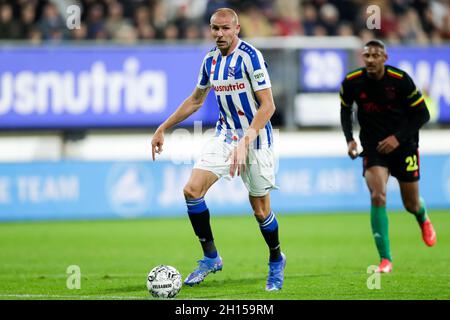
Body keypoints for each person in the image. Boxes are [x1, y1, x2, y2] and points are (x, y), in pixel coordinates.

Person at [151, 8, 286, 291]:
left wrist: (245, 143)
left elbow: (268, 106)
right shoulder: (210, 60)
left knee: (261, 211)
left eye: (225, 28)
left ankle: (276, 259)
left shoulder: (251, 57)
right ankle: (211, 257)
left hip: (256, 137)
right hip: (225, 136)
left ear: (237, 28)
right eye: (215, 28)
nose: (219, 34)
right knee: (191, 190)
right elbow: (196, 100)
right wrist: (163, 127)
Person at [339, 39, 437, 273]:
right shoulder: (352, 82)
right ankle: (385, 259)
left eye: (375, 55)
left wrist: (398, 138)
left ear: (385, 58)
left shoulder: (400, 80)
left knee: (410, 203)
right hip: (373, 147)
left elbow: (422, 114)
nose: (371, 60)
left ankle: (422, 216)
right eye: (367, 56)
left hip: (404, 145)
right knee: (378, 196)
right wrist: (349, 139)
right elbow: (345, 109)